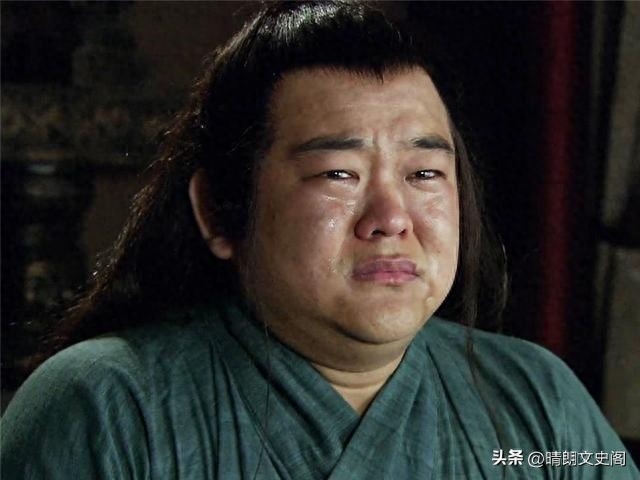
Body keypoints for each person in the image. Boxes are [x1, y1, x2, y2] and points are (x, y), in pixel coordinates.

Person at [2, 2, 638, 479]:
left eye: (423, 174)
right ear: (219, 212)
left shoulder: (538, 407)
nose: (391, 218)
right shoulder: (105, 409)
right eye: (339, 174)